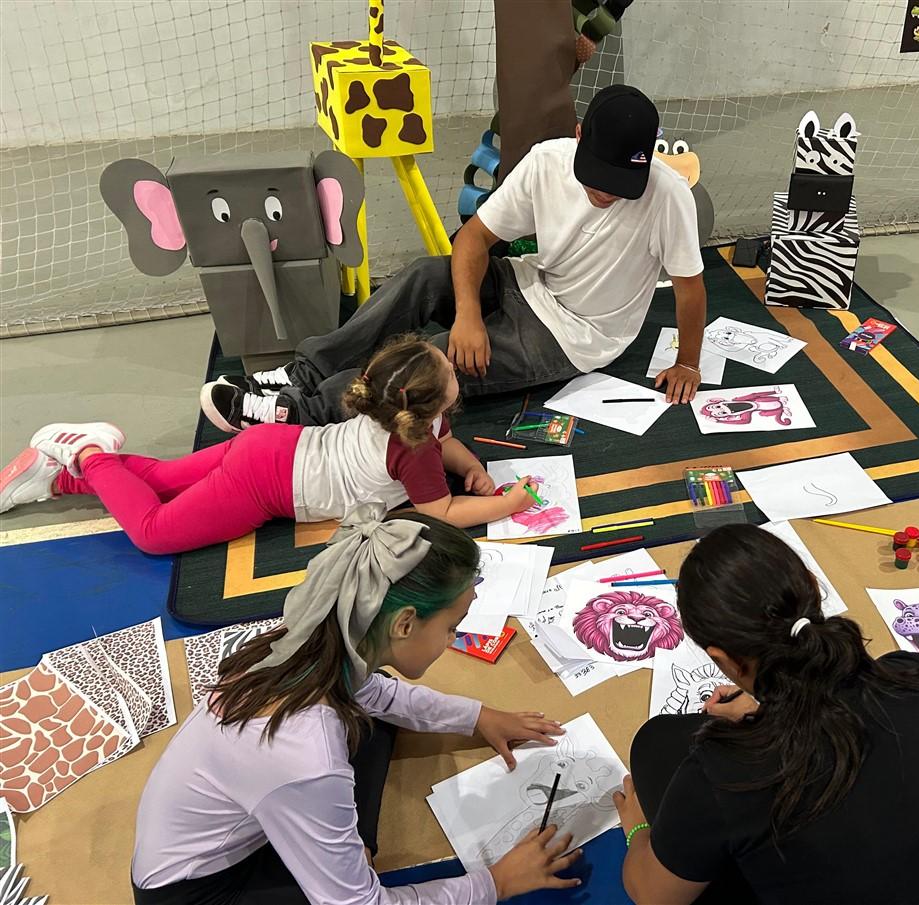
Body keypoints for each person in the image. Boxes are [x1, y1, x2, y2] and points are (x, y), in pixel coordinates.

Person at [131, 511, 583, 904]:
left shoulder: (314, 642)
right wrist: (495, 883)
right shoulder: (308, 755)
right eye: (452, 627)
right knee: (345, 769)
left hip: (250, 817)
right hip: (199, 891)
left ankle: (336, 847)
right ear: (405, 623)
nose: (453, 640)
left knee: (373, 717)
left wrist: (478, 716)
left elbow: (378, 695)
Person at [200, 83, 708, 431]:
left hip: (578, 335)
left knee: (433, 361)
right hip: (529, 281)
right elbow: (472, 240)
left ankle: (300, 411)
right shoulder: (547, 161)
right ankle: (307, 371)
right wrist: (468, 315)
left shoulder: (667, 196)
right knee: (425, 275)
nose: (608, 192)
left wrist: (688, 362)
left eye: (621, 182)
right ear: (578, 136)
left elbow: (689, 286)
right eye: (598, 177)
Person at [612, 524, 919, 905]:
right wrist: (771, 710)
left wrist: (638, 830)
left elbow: (652, 895)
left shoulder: (727, 771)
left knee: (657, 745)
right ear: (815, 588)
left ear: (723, 659)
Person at [0, 335, 539, 549]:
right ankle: (90, 453)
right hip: (265, 483)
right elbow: (440, 511)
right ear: (426, 405)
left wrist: (469, 465)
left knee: (161, 479)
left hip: (273, 446)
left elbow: (445, 442)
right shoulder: (413, 447)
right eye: (450, 371)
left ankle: (59, 478)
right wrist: (507, 503)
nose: (455, 369)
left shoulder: (409, 420)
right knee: (153, 533)